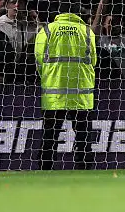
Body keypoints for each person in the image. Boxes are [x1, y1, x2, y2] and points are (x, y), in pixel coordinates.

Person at [34, 12, 96, 170]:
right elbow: (93, 60)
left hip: (54, 92)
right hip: (81, 93)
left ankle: (44, 170)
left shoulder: (47, 30)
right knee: (83, 137)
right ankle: (85, 171)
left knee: (50, 136)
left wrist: (49, 78)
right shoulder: (87, 31)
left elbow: (39, 60)